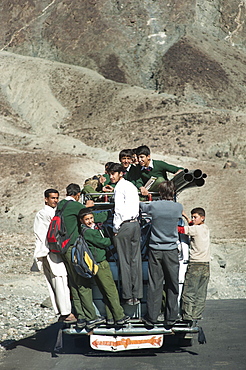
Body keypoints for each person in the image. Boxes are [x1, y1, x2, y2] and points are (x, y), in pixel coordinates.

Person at [57, 183, 108, 329]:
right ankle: (91, 317)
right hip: (74, 249)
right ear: (78, 195)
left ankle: (80, 316)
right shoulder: (74, 206)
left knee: (74, 282)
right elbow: (91, 216)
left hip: (63, 249)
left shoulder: (61, 205)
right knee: (83, 282)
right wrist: (93, 208)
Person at [140, 181, 182, 327]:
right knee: (172, 283)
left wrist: (147, 195)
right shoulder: (178, 207)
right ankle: (171, 317)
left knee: (155, 284)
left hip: (155, 249)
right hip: (171, 250)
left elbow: (141, 206)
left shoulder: (154, 206)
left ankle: (152, 317)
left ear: (161, 193)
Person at [78, 208, 130, 326]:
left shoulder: (86, 229)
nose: (90, 221)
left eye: (91, 218)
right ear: (81, 221)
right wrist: (113, 237)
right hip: (100, 263)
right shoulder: (89, 232)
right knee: (111, 290)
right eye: (87, 219)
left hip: (95, 264)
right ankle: (119, 316)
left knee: (104, 291)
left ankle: (110, 317)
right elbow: (104, 242)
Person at [32, 189, 75, 323]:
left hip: (54, 252)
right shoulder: (43, 214)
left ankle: (63, 311)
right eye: (52, 198)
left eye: (57, 198)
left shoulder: (55, 212)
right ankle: (66, 312)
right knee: (59, 280)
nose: (55, 201)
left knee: (59, 281)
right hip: (50, 252)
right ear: (46, 199)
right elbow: (41, 235)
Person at [108, 163, 143, 305]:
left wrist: (115, 229)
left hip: (124, 225)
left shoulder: (119, 188)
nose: (111, 176)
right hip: (135, 224)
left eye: (113, 174)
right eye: (110, 174)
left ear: (121, 173)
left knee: (124, 261)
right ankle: (138, 294)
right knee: (136, 260)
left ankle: (128, 295)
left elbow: (118, 210)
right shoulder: (131, 186)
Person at [181, 207, 210, 326]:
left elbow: (181, 230)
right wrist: (186, 217)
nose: (193, 219)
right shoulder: (205, 228)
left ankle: (187, 316)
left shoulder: (195, 230)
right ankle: (196, 316)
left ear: (202, 218)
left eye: (195, 217)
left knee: (189, 292)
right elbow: (192, 225)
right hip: (206, 265)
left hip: (195, 264)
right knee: (201, 293)